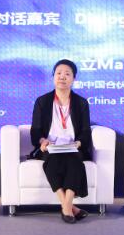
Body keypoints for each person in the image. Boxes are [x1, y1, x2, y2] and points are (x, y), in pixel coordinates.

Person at [30, 59, 93, 224]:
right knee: (52, 161)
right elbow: (35, 130)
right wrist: (42, 141)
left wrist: (79, 143)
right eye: (58, 73)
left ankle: (66, 206)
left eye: (67, 74)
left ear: (74, 78)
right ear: (53, 77)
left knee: (74, 161)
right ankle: (69, 207)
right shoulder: (42, 101)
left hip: (73, 147)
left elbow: (86, 131)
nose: (62, 77)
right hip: (50, 147)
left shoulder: (81, 103)